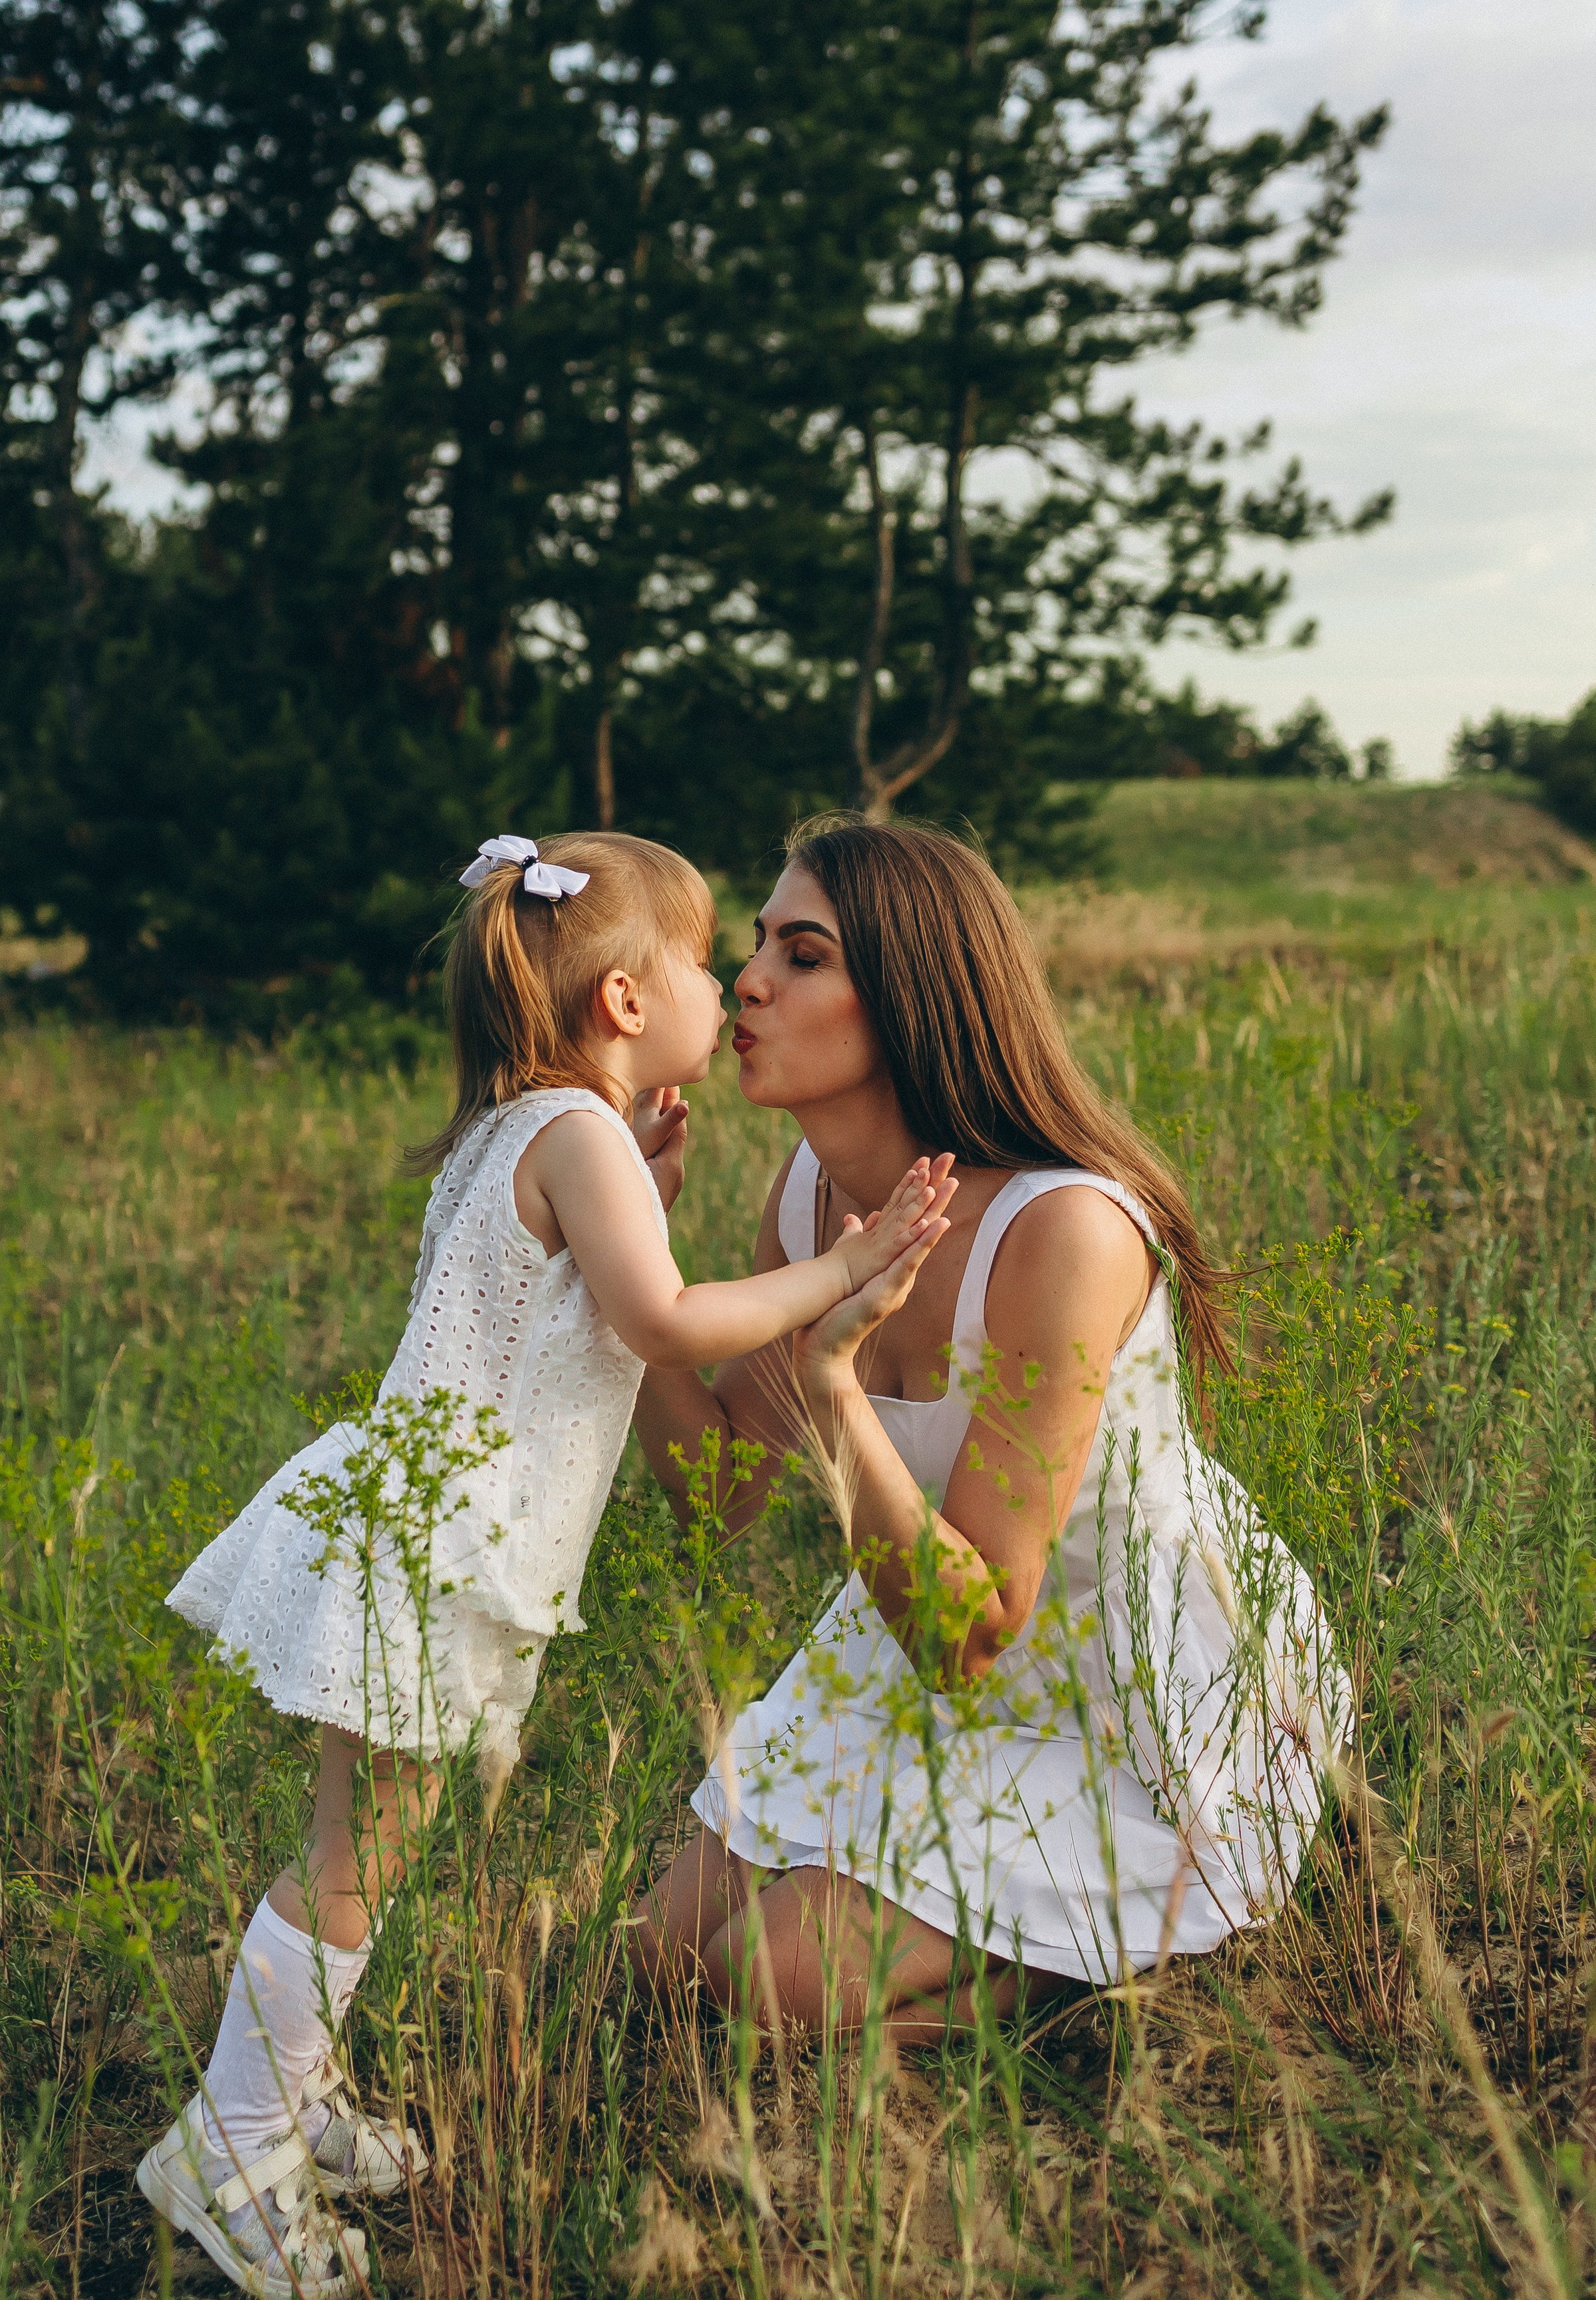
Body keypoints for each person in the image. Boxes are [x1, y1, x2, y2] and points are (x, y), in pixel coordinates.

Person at [137, 831, 953, 2299]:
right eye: (703, 960)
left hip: (427, 1525)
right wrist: (843, 1270)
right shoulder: (577, 1134)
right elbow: (664, 1324)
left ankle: (288, 2101)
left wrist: (644, 1197)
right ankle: (230, 2149)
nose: (729, 985)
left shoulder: (535, 1126)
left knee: (356, 1847)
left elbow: (573, 1306)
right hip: (445, 1547)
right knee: (352, 1862)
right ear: (626, 1002)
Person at [630, 817, 1346, 2044]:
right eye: (758, 945)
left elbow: (975, 1630)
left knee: (766, 1983)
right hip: (906, 1630)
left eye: (804, 955)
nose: (747, 981)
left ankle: (1127, 1958)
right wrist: (631, 1275)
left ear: (912, 997)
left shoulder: (1064, 1231)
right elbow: (720, 1497)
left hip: (1107, 1685)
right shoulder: (806, 1197)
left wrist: (835, 1377)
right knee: (660, 1959)